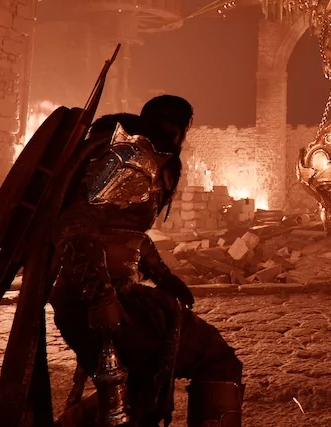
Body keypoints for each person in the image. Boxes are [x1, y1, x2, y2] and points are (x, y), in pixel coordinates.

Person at [50, 95, 243, 426]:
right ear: (179, 131)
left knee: (140, 395)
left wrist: (164, 277)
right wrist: (101, 299)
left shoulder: (144, 160)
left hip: (113, 298)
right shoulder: (132, 161)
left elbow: (127, 234)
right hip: (100, 303)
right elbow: (77, 226)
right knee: (215, 359)